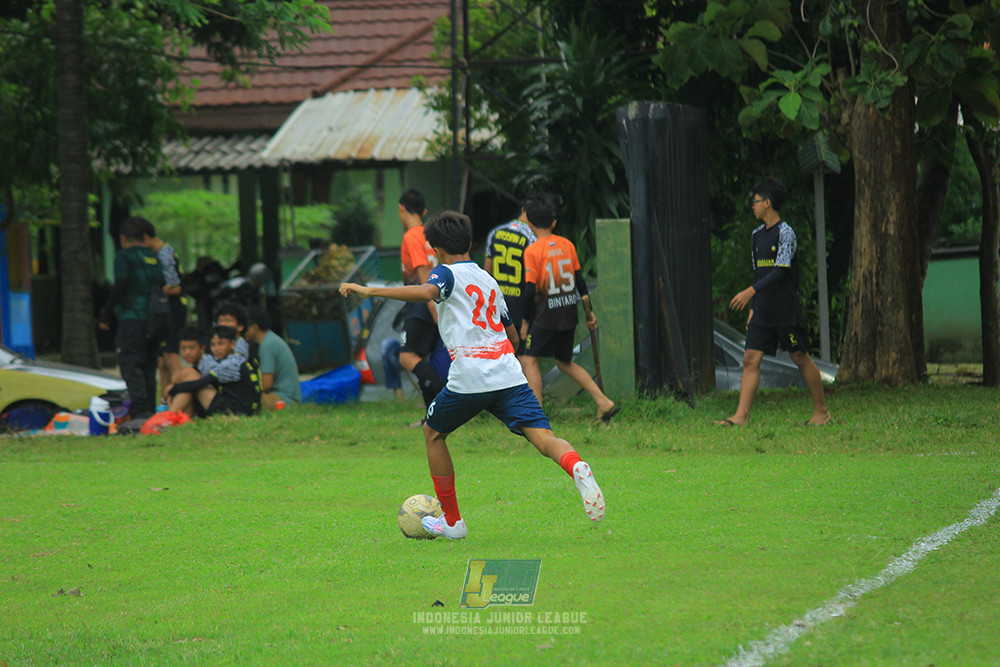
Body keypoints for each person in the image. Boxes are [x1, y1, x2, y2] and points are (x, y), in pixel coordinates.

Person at [339, 211, 606, 540]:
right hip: (508, 374)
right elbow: (514, 337)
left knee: (433, 434)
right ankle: (576, 465)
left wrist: (369, 291)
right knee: (544, 438)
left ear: (436, 250)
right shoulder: (487, 279)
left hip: (471, 376)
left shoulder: (446, 274)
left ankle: (453, 522)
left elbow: (425, 294)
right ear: (468, 243)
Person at [715, 176, 832, 427]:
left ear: (768, 202)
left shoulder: (786, 233)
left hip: (785, 309)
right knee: (750, 359)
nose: (753, 206)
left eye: (756, 201)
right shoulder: (757, 236)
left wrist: (749, 292)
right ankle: (741, 416)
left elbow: (780, 271)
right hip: (763, 310)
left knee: (800, 357)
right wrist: (754, 307)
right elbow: (760, 272)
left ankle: (821, 412)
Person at [518, 193, 618, 423]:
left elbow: (530, 290)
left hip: (546, 315)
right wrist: (589, 313)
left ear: (530, 224)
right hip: (568, 312)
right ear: (554, 223)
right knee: (564, 362)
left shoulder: (533, 251)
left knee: (529, 359)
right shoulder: (567, 245)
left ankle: (536, 416)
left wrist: (524, 323)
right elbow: (580, 283)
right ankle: (603, 401)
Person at [98, 216, 163, 419]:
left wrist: (106, 312)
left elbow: (121, 283)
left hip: (132, 317)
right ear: (145, 237)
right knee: (149, 365)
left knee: (131, 363)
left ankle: (139, 411)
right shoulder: (155, 257)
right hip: (156, 318)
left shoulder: (124, 257)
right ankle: (150, 410)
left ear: (123, 238)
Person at [397, 189, 446, 419]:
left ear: (401, 209)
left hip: (421, 302)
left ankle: (446, 398)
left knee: (407, 357)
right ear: (424, 211)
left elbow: (424, 274)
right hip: (435, 300)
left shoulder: (412, 236)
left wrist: (432, 309)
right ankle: (432, 416)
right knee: (422, 360)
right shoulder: (430, 233)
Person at [134, 218, 188, 402]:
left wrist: (152, 292)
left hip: (172, 309)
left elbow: (175, 286)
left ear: (147, 238)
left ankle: (184, 397)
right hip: (163, 311)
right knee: (162, 359)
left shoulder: (164, 253)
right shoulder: (160, 252)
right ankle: (165, 402)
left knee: (171, 355)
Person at [167, 325, 262, 417]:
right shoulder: (235, 360)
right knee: (189, 379)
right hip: (242, 408)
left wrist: (174, 389)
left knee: (193, 384)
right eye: (213, 344)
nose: (217, 349)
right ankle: (176, 416)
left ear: (232, 344)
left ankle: (168, 418)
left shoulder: (230, 364)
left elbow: (201, 383)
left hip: (235, 411)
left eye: (221, 344)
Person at [483, 201, 537, 355]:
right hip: (521, 307)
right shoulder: (532, 238)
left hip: (498, 306)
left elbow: (487, 273)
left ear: (522, 210)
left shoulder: (495, 233)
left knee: (499, 354)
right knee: (521, 358)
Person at [243, 307, 302, 409]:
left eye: (246, 328)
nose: (243, 332)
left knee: (246, 402)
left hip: (285, 399)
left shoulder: (267, 345)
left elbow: (266, 385)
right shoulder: (271, 339)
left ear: (255, 327)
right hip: (289, 397)